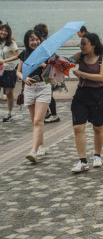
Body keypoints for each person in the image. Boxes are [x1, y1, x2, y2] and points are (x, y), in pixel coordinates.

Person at [69, 33, 103, 172]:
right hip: (81, 95)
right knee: (77, 128)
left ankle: (97, 155)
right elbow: (67, 62)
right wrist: (57, 60)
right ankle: (83, 161)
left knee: (98, 127)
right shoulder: (79, 56)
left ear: (93, 44)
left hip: (98, 95)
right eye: (80, 44)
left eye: (84, 43)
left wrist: (82, 74)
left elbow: (101, 77)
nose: (81, 46)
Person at [16, 30, 51, 163]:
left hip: (43, 87)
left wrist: (42, 64)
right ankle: (41, 145)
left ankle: (33, 151)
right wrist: (24, 78)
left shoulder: (45, 54)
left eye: (36, 39)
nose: (35, 42)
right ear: (27, 42)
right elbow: (18, 72)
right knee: (34, 121)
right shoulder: (24, 54)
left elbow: (52, 73)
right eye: (32, 40)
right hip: (30, 88)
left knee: (38, 120)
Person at [34, 23, 60, 124]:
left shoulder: (45, 44)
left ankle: (54, 115)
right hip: (47, 71)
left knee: (48, 93)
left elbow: (50, 58)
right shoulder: (45, 43)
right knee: (45, 92)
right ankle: (47, 112)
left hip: (47, 70)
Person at [0, 24, 20, 122]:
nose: (3, 32)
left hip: (9, 69)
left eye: (5, 31)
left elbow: (17, 55)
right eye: (1, 30)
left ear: (8, 33)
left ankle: (9, 113)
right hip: (0, 70)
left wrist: (5, 61)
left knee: (8, 92)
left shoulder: (11, 43)